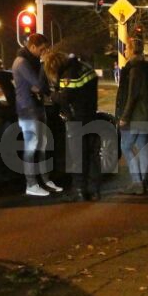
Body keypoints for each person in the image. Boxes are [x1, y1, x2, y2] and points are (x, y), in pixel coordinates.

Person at [43, 51, 102, 201]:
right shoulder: (85, 67)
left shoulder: (68, 75)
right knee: (92, 156)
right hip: (92, 115)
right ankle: (94, 190)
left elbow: (64, 98)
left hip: (77, 119)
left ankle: (79, 190)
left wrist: (52, 95)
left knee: (77, 157)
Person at [12, 33, 62, 197]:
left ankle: (45, 180)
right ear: (32, 47)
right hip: (28, 109)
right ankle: (31, 184)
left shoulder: (29, 61)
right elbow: (39, 84)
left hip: (36, 106)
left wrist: (40, 87)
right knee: (32, 146)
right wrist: (42, 65)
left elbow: (41, 86)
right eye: (41, 49)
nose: (43, 52)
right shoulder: (22, 63)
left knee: (43, 144)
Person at [114, 38, 148, 195]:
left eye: (126, 48)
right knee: (142, 147)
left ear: (132, 50)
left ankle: (137, 182)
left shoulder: (134, 69)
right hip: (147, 115)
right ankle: (145, 179)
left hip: (135, 117)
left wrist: (124, 116)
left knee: (125, 146)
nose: (124, 51)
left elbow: (132, 95)